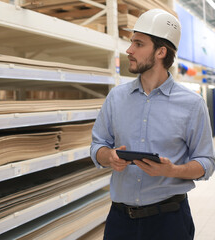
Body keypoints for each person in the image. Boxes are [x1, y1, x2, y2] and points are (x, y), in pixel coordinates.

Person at [90, 8, 215, 240]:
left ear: (161, 51)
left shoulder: (192, 104)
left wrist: (172, 171)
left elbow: (206, 162)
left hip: (169, 222)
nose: (129, 50)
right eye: (131, 43)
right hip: (120, 221)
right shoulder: (116, 98)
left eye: (138, 44)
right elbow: (97, 146)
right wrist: (109, 157)